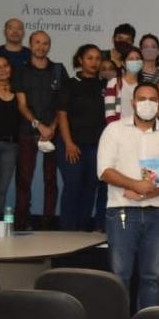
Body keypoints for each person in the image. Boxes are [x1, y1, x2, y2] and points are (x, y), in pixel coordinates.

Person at [97, 81, 159, 308]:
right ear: (133, 102)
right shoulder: (114, 130)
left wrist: (146, 194)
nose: (147, 103)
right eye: (142, 99)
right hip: (121, 212)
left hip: (157, 213)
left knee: (151, 278)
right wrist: (135, 184)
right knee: (119, 277)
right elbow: (104, 171)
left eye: (153, 99)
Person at [14, 30, 69, 231]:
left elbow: (63, 104)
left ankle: (47, 223)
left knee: (50, 179)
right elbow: (21, 105)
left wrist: (52, 127)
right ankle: (21, 223)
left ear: (49, 46)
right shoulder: (21, 71)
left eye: (45, 43)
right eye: (37, 42)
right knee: (24, 179)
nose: (41, 46)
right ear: (30, 44)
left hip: (53, 132)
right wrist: (39, 125)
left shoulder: (58, 70)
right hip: (28, 131)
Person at [56, 44, 105, 231]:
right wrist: (68, 143)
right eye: (89, 58)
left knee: (90, 186)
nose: (94, 62)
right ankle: (67, 229)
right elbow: (62, 115)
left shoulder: (104, 85)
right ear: (80, 60)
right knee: (73, 185)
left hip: (96, 146)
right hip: (72, 144)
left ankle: (82, 230)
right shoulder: (70, 84)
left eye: (97, 58)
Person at [0, 54, 20, 221]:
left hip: (11, 146)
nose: (2, 70)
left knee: (1, 190)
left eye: (5, 65)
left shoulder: (18, 90)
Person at [104, 46, 142, 123]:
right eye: (131, 59)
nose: (135, 61)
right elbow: (109, 113)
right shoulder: (114, 82)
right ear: (123, 63)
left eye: (137, 59)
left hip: (139, 128)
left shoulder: (144, 86)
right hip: (119, 127)